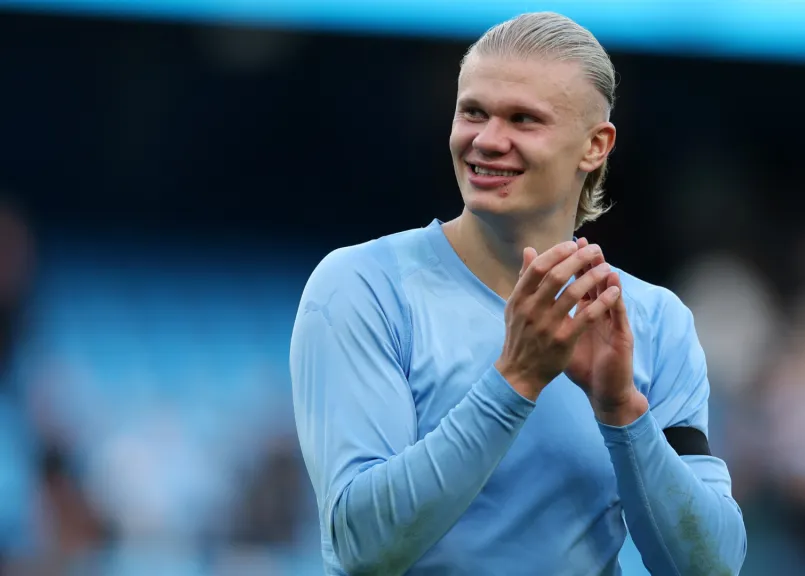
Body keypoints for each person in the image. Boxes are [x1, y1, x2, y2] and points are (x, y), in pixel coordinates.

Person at [291, 12, 746, 575]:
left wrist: (624, 414)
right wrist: (516, 380)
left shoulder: (652, 321)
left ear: (595, 146)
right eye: (472, 112)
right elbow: (363, 546)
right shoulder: (361, 288)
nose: (487, 140)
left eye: (524, 119)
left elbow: (712, 567)